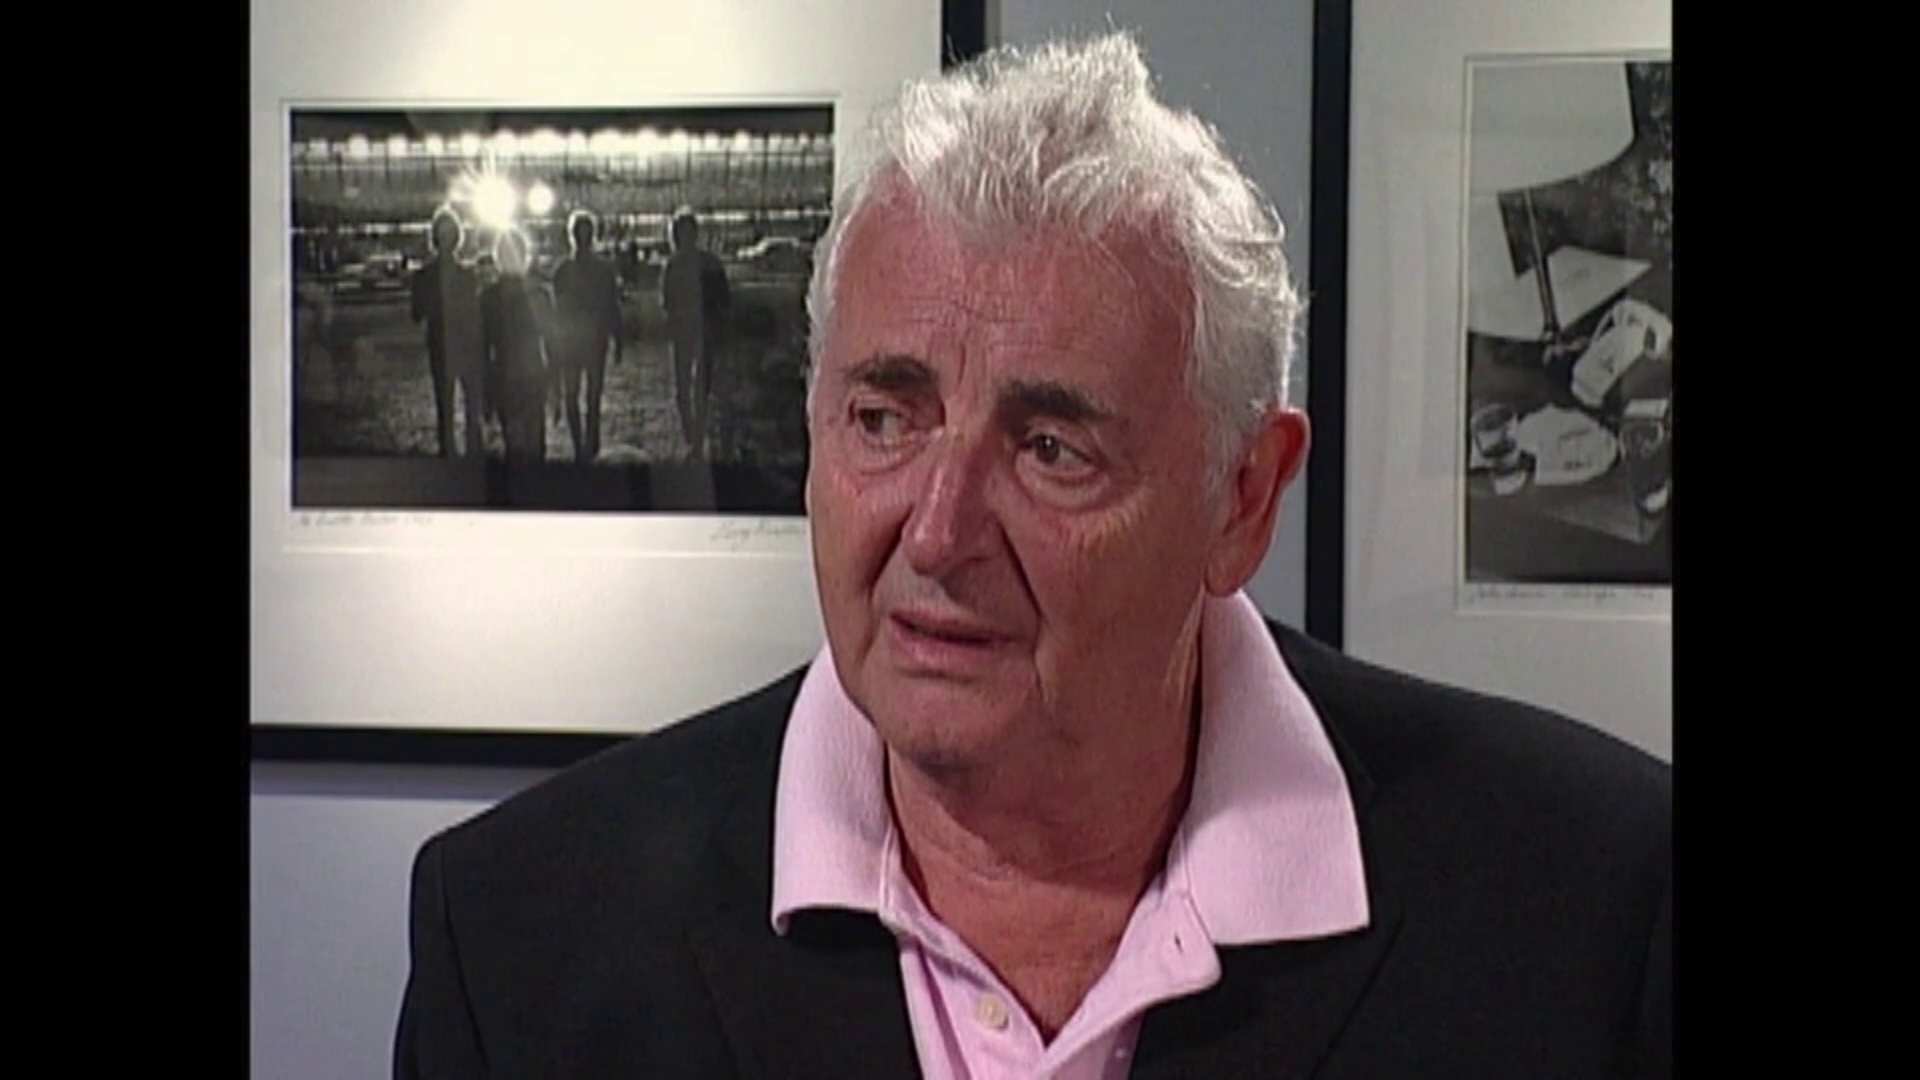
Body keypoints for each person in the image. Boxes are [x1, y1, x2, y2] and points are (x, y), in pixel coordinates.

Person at [394, 32, 1670, 1080]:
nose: (937, 532)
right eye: (883, 421)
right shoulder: (519, 939)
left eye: (1052, 449)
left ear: (1243, 497)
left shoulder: (1591, 905)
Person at [408, 209, 486, 457]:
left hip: (443, 346)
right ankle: (470, 454)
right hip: (462, 346)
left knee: (447, 408)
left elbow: (416, 315)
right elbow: (475, 314)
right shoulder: (467, 276)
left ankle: (451, 454)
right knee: (468, 407)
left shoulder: (424, 276)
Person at [551, 209, 626, 462]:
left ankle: (578, 445)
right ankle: (592, 443)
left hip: (571, 341)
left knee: (571, 394)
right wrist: (618, 339)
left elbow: (557, 312)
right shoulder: (604, 270)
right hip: (595, 340)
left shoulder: (562, 271)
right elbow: (612, 306)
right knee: (593, 395)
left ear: (571, 236)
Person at [660, 206, 732, 459]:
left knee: (682, 386)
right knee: (701, 387)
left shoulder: (672, 265)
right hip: (706, 330)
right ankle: (697, 437)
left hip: (683, 331)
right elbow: (724, 299)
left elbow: (667, 301)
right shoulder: (710, 263)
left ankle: (691, 436)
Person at [478, 228, 553, 464]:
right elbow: (552, 342)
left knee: (514, 443)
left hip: (504, 374)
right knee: (536, 442)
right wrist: (557, 387)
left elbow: (483, 348)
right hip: (533, 372)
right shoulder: (539, 295)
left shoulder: (488, 298)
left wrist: (486, 393)